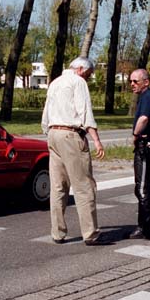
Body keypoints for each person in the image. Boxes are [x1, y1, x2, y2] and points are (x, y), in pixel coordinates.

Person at [41, 56, 105, 246]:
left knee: (58, 186)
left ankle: (58, 232)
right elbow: (85, 112)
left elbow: (46, 112)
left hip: (53, 133)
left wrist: (48, 132)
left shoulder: (55, 83)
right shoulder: (78, 82)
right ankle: (90, 233)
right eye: (89, 74)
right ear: (81, 69)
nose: (89, 78)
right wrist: (96, 140)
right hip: (70, 135)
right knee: (84, 186)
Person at [129, 68, 150, 240]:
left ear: (146, 82)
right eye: (130, 81)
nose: (132, 84)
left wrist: (135, 136)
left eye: (135, 81)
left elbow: (144, 119)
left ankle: (145, 227)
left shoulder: (148, 97)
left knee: (142, 188)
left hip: (146, 145)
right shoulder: (146, 97)